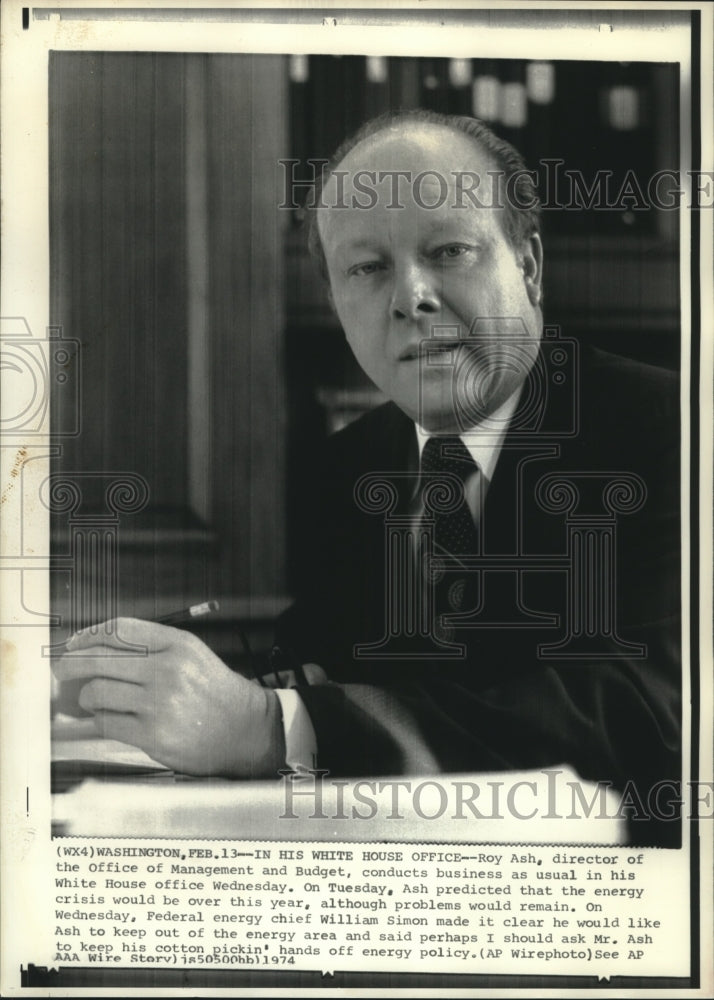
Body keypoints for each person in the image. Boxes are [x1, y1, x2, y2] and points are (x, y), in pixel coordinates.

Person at [55, 110, 680, 841]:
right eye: (368, 267)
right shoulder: (347, 467)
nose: (408, 297)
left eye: (448, 251)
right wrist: (135, 686)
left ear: (530, 266)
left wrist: (269, 728)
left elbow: (648, 714)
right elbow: (318, 660)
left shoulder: (673, 431)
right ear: (339, 305)